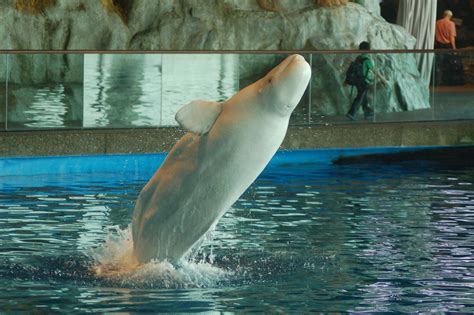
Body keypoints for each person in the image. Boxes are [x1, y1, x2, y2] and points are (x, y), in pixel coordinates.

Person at [346, 41, 387, 121]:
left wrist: (346, 80)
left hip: (357, 81)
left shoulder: (358, 58)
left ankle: (368, 112)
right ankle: (352, 113)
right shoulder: (368, 59)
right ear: (369, 50)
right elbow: (375, 71)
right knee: (360, 97)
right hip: (364, 81)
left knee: (363, 97)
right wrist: (383, 80)